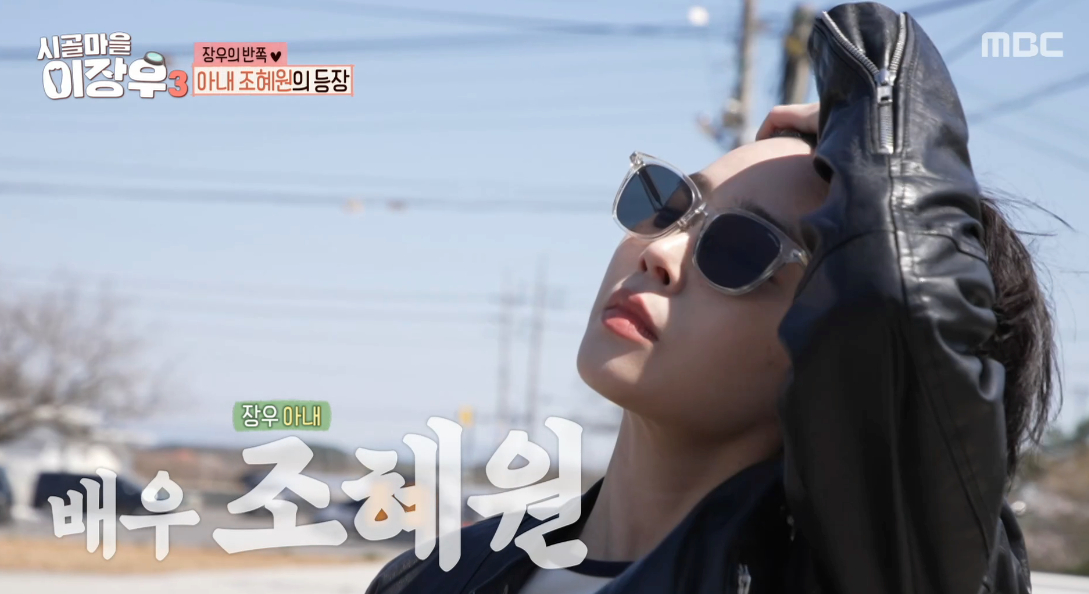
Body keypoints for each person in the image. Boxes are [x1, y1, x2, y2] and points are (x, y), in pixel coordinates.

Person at [366, 3, 1055, 593]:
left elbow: (901, 302)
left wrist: (872, 115)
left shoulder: (870, 573)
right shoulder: (435, 576)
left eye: (739, 248)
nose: (660, 253)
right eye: (669, 204)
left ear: (842, 335)